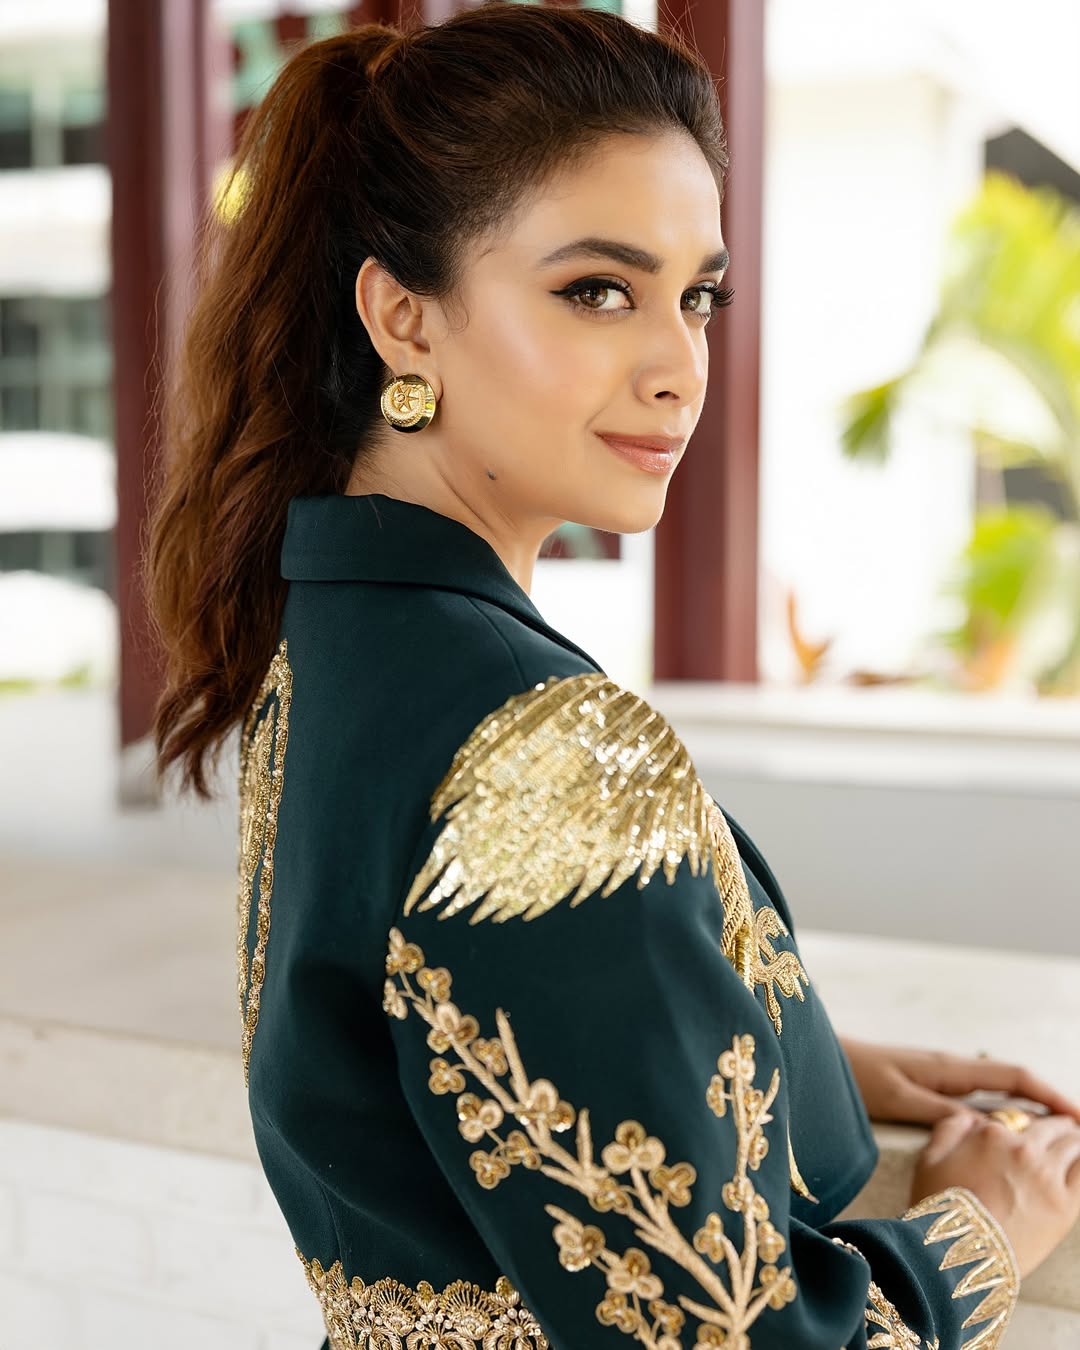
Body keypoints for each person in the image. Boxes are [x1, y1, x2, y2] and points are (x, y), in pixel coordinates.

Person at [146, 6, 1080, 1348]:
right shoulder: (554, 750)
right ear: (403, 315)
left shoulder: (335, 644)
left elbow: (433, 1041)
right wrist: (978, 1234)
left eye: (698, 296)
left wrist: (761, 1049)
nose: (679, 368)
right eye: (598, 290)